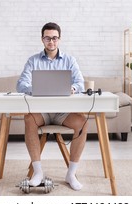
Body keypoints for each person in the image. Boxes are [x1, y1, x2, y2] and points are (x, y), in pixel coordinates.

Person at [16, 22, 87, 191]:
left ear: (59, 39)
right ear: (42, 39)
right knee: (28, 119)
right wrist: (37, 89)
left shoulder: (70, 60)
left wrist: (73, 88)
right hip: (42, 111)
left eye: (54, 38)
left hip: (64, 112)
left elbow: (80, 83)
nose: (51, 41)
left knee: (83, 122)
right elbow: (21, 85)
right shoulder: (33, 60)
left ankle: (71, 173)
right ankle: (38, 172)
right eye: (47, 38)